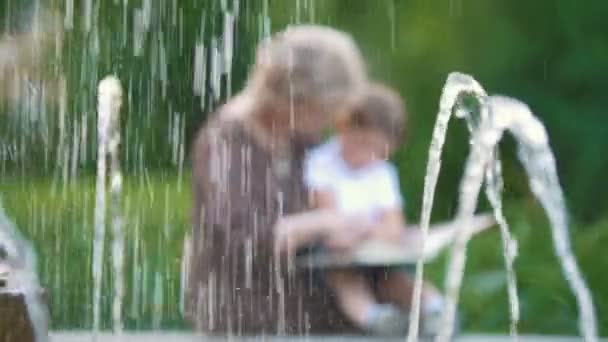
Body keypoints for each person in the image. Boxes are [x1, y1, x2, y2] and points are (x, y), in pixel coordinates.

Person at [185, 25, 368, 335]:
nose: (328, 121)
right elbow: (245, 238)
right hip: (245, 316)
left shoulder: (299, 139)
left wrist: (357, 229)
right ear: (293, 97)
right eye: (322, 110)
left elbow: (325, 199)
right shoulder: (225, 141)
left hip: (310, 313)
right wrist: (322, 223)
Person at [299, 84, 445, 336]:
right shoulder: (321, 163)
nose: (371, 157)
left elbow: (393, 224)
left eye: (380, 151)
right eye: (365, 145)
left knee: (397, 281)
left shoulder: (381, 172)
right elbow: (330, 219)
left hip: (375, 254)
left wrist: (368, 230)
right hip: (339, 256)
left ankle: (436, 312)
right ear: (344, 128)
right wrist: (367, 230)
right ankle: (376, 319)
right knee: (346, 282)